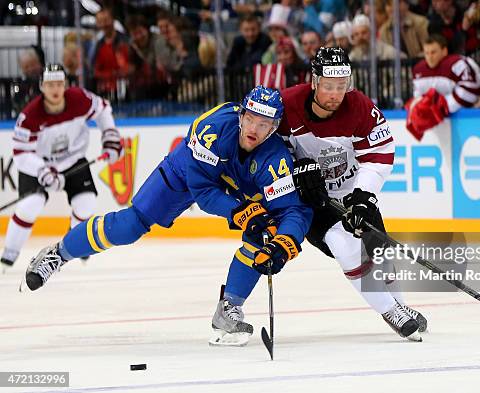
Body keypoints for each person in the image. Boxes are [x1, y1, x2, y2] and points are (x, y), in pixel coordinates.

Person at [20, 87, 313, 348]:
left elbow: (292, 210)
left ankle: (228, 309)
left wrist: (283, 243)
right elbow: (203, 191)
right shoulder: (211, 128)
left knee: (263, 233)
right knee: (131, 225)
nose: (253, 129)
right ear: (241, 114)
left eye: (263, 124)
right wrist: (241, 211)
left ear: (274, 128)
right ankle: (58, 254)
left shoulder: (276, 158)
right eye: (250, 119)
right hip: (186, 173)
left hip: (238, 185)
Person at [213, 47, 426, 346]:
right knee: (345, 246)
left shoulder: (361, 107)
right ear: (314, 81)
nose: (335, 94)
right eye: (328, 86)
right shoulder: (288, 105)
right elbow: (267, 146)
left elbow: (379, 155)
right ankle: (391, 311)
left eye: (342, 86)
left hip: (352, 193)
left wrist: (363, 195)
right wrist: (295, 169)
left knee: (379, 250)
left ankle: (401, 304)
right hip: (311, 200)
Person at [1, 64, 122, 270]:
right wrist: (43, 171)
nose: (55, 89)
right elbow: (21, 154)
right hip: (39, 165)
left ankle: (74, 246)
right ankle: (9, 255)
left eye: (59, 84)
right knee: (31, 205)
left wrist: (110, 137)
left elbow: (103, 110)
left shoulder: (79, 99)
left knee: (87, 203)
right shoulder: (30, 116)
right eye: (50, 85)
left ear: (65, 85)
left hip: (73, 160)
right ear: (41, 87)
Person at [405, 34, 480, 140]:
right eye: (426, 53)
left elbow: (471, 92)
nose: (430, 57)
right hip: (448, 122)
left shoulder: (457, 64)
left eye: (433, 52)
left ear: (444, 51)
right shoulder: (419, 70)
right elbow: (418, 96)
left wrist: (443, 107)